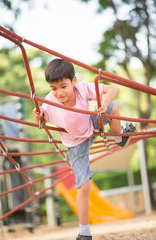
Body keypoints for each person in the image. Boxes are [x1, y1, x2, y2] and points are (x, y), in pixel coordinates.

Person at [33, 58, 139, 240]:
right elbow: (41, 121)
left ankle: (119, 137)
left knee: (113, 108)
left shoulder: (82, 88)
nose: (59, 93)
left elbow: (114, 89)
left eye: (63, 86)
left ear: (74, 82)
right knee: (84, 186)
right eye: (53, 88)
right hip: (75, 144)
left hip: (91, 125)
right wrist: (39, 116)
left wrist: (103, 102)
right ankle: (84, 232)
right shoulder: (50, 102)